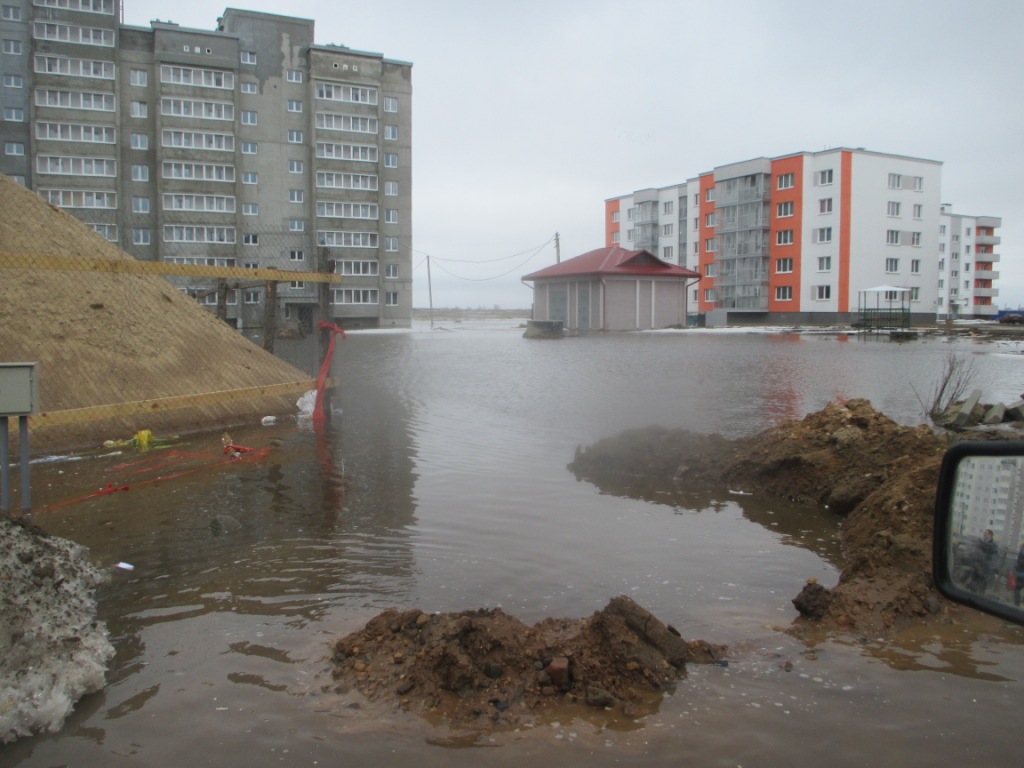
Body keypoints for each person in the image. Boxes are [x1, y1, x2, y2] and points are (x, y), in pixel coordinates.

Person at [1014, 543, 1024, 607]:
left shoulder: (1021, 554)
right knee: (1017, 589)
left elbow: (1020, 563)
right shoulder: (1021, 554)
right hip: (1020, 573)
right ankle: (1016, 604)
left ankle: (1016, 605)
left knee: (1017, 589)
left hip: (1021, 575)